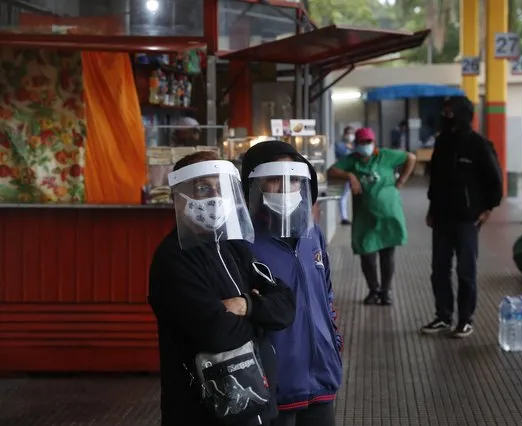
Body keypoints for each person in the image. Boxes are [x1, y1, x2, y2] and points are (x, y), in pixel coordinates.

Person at [148, 151, 296, 426]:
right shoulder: (173, 259)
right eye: (203, 188)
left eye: (221, 187)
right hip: (204, 413)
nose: (215, 196)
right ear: (178, 199)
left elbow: (286, 306)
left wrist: (246, 306)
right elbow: (217, 333)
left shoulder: (233, 247)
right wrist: (263, 323)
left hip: (257, 403)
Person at [241, 140, 343, 426]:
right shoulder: (243, 242)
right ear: (255, 184)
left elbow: (326, 292)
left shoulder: (313, 234)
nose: (286, 188)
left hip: (321, 377)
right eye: (275, 179)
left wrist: (333, 341)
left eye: (295, 179)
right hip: (274, 383)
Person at [420, 96, 503, 338]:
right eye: (444, 111)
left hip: (468, 219)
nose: (446, 116)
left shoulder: (479, 144)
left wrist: (488, 208)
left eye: (451, 112)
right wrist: (432, 209)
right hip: (442, 218)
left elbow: (495, 180)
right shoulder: (442, 143)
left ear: (463, 114)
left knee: (466, 271)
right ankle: (443, 317)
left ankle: (465, 320)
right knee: (439, 269)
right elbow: (435, 180)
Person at [328, 128, 416, 306]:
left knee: (387, 253)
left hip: (388, 214)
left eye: (369, 142)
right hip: (364, 217)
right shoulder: (351, 161)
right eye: (362, 143)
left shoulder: (385, 155)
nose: (366, 146)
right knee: (366, 254)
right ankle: (373, 290)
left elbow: (411, 158)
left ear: (374, 143)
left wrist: (401, 181)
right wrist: (350, 175)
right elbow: (331, 171)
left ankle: (386, 291)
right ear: (355, 145)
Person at [334, 126, 354, 225]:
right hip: (344, 174)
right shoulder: (339, 145)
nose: (350, 135)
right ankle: (344, 218)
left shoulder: (355, 146)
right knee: (343, 196)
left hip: (356, 173)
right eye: (348, 133)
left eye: (351, 133)